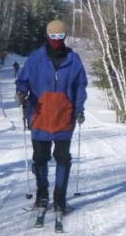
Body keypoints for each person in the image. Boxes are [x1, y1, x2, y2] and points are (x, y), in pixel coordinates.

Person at [15, 20, 88, 214]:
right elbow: (23, 81)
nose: (56, 40)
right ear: (47, 36)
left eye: (60, 37)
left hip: (65, 117)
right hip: (40, 116)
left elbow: (80, 85)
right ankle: (42, 196)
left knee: (63, 158)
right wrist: (21, 92)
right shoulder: (35, 58)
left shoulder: (74, 60)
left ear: (65, 37)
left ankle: (60, 199)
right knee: (40, 158)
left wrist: (79, 109)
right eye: (53, 36)